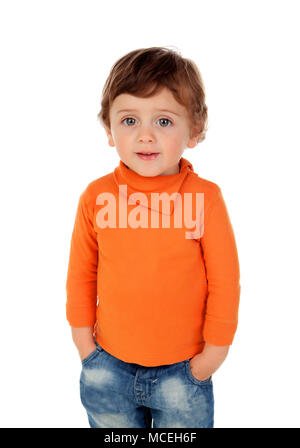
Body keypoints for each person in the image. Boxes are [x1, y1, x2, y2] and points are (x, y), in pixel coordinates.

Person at [66, 46, 241, 428]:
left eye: (163, 122)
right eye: (129, 120)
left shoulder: (204, 199)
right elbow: (81, 275)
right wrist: (85, 348)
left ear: (194, 130)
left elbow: (225, 282)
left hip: (184, 371)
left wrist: (212, 357)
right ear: (109, 129)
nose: (145, 136)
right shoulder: (96, 197)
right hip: (107, 365)